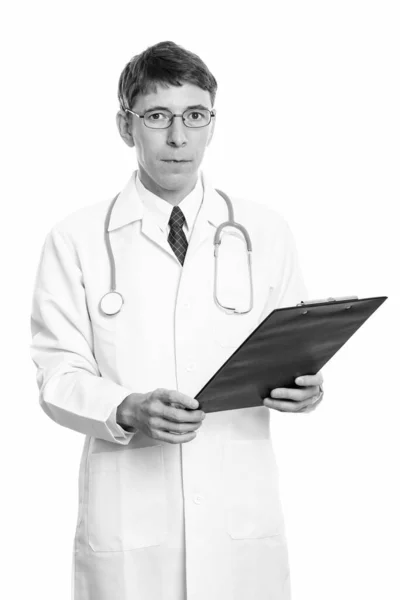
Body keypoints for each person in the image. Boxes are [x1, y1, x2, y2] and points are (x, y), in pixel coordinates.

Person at [30, 40, 324, 600]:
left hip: (239, 525)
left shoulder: (265, 232)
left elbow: (294, 347)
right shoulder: (76, 239)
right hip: (131, 527)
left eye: (195, 116)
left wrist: (304, 388)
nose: (178, 137)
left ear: (212, 124)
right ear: (126, 125)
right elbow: (57, 377)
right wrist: (126, 407)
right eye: (158, 117)